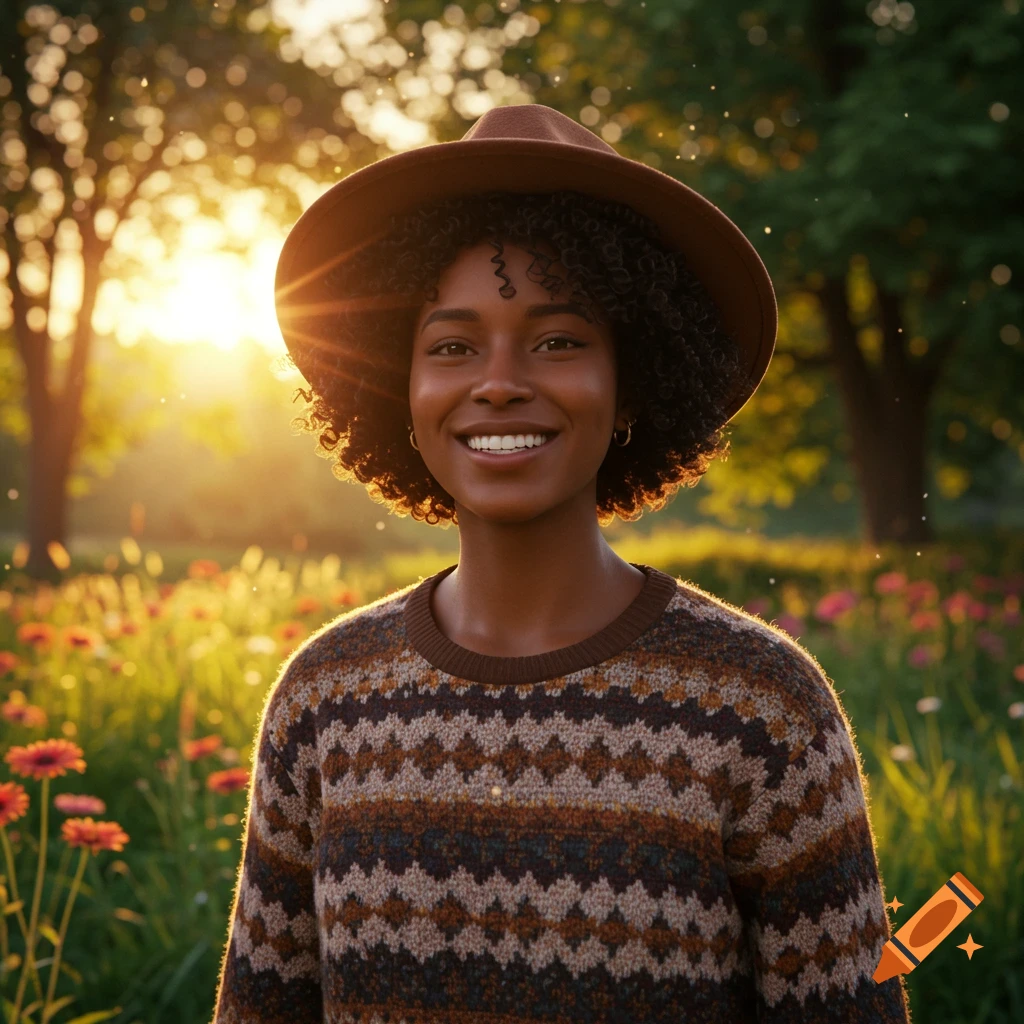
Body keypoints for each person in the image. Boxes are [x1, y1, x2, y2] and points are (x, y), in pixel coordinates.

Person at [211, 104, 911, 1023]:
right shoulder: (326, 697)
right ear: (400, 392)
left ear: (634, 385)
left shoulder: (759, 706)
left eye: (560, 341)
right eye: (452, 346)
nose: (499, 380)